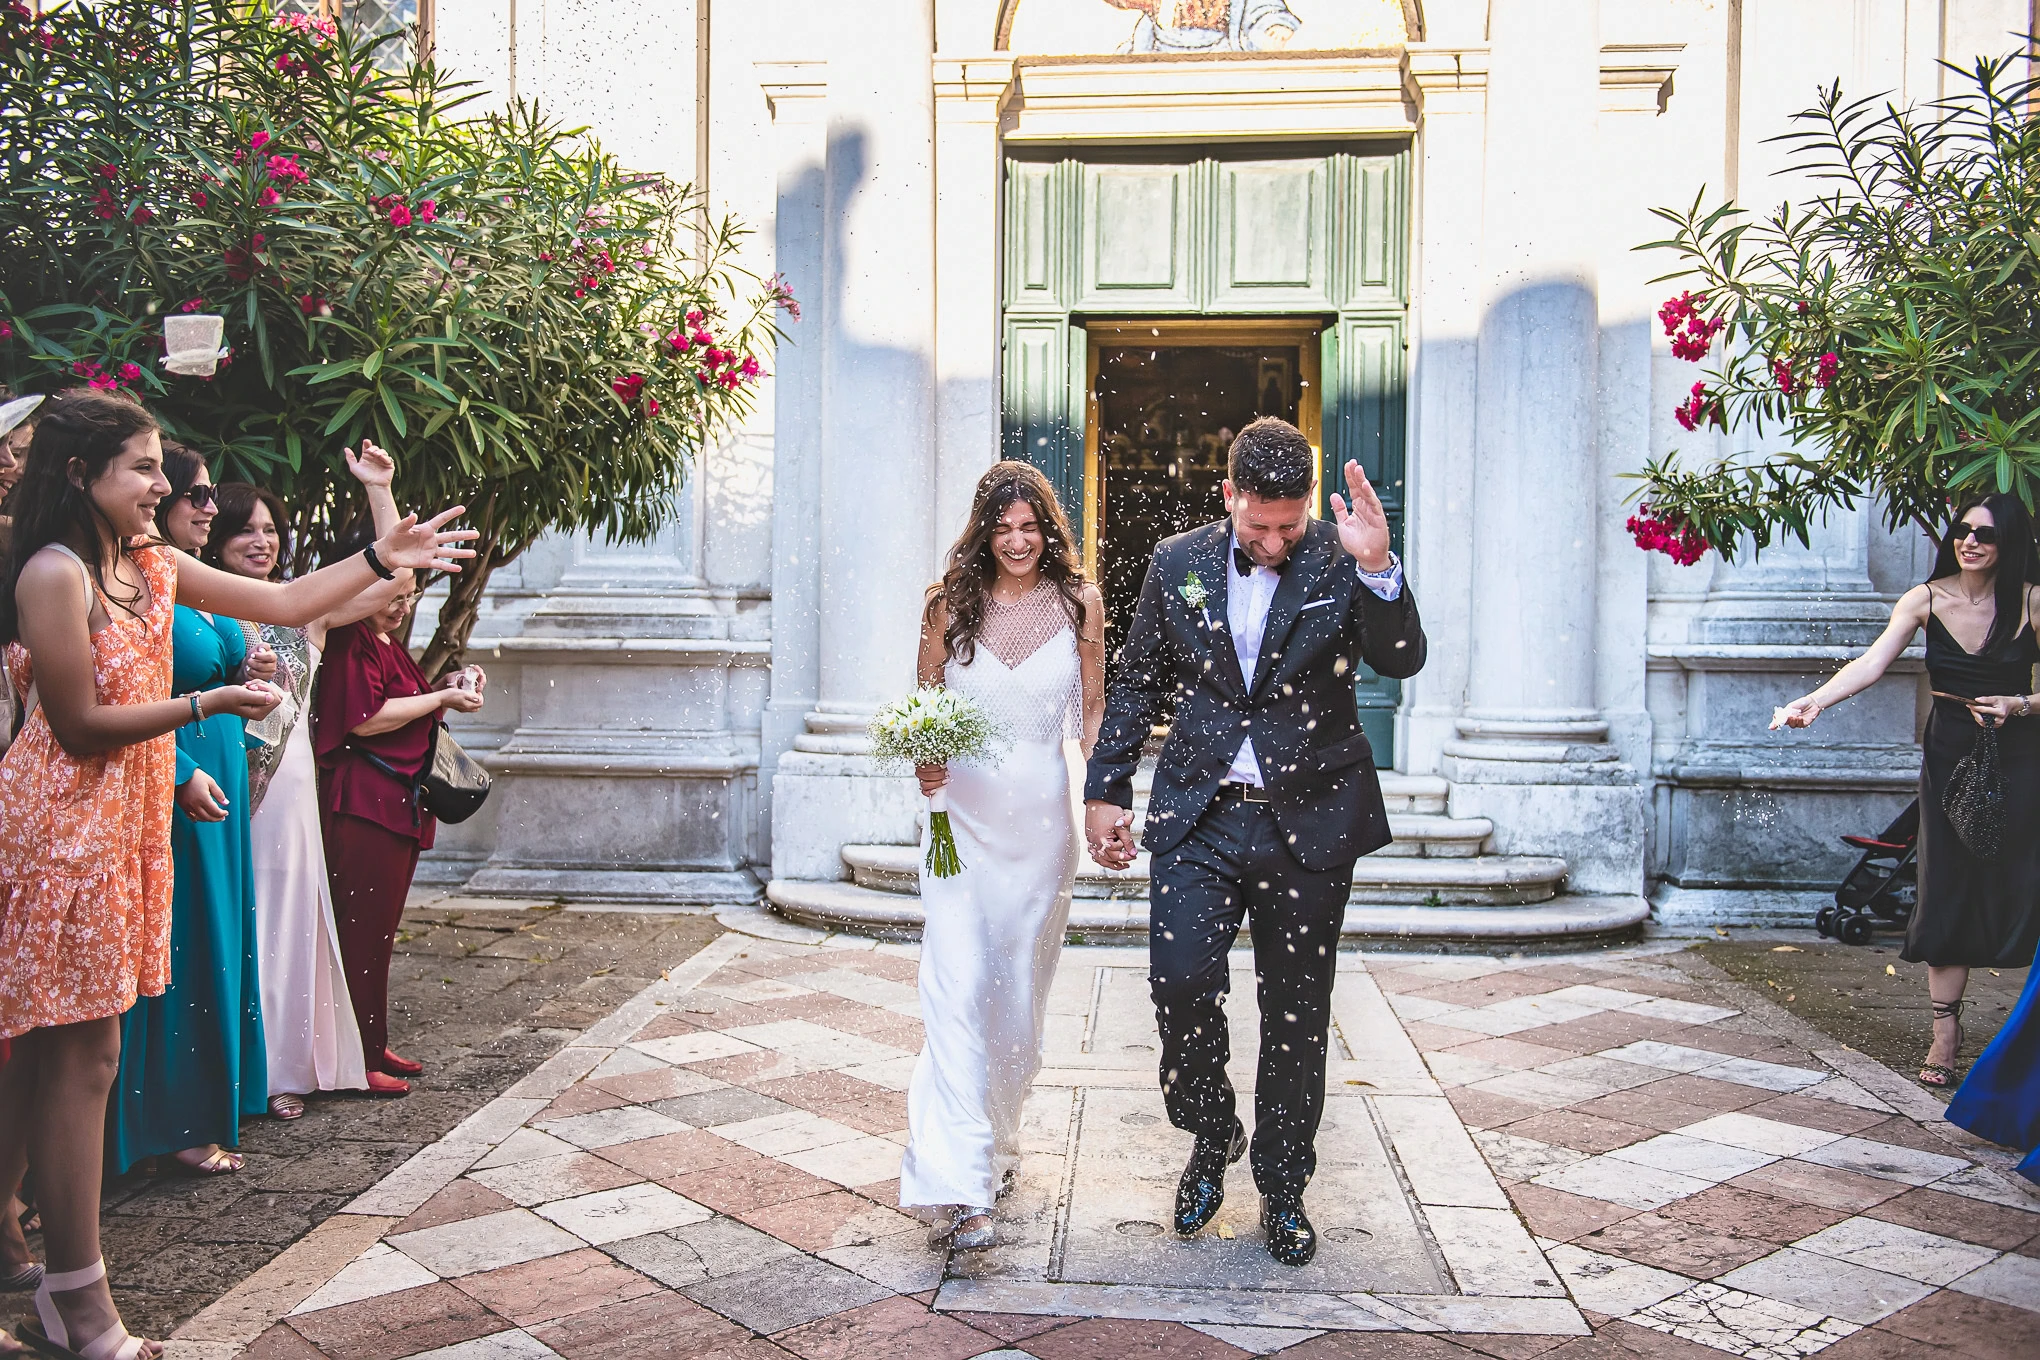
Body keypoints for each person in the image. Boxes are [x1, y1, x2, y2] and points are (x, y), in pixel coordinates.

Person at [0, 390, 474, 1360]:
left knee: (56, 1055)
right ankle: (79, 1304)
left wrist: (386, 555)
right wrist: (203, 703)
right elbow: (79, 723)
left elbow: (292, 603)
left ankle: (36, 1272)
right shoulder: (53, 574)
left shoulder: (149, 565)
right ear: (82, 476)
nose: (161, 486)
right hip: (64, 832)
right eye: (142, 467)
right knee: (80, 1057)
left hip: (128, 828)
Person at [1083, 416, 1425, 1267]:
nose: (1273, 543)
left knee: (1297, 1013)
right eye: (1257, 526)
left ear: (1308, 504)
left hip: (1308, 818)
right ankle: (1210, 1129)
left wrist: (1377, 566)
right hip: (1202, 813)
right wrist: (1104, 788)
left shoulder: (1343, 555)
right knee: (1179, 983)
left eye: (1288, 525)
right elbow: (1135, 678)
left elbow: (1404, 658)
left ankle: (1282, 1186)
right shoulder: (1177, 562)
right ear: (1228, 495)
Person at [900, 463, 1105, 1252]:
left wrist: (1106, 802)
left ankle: (999, 1135)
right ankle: (962, 1181)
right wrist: (923, 755)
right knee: (953, 984)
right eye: (1003, 528)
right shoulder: (947, 605)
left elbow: (1091, 715)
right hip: (957, 824)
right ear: (983, 531)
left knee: (1015, 994)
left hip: (1041, 830)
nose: (1017, 542)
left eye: (1031, 528)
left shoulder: (1079, 604)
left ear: (1048, 529)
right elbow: (924, 703)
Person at [1774, 494, 2040, 1088]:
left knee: (2022, 886)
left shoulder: (2030, 602)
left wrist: (2021, 704)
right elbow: (1870, 664)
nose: (1970, 541)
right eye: (1963, 530)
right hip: (1949, 755)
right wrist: (1812, 701)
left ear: (2009, 543)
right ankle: (1945, 1036)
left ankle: (2024, 1042)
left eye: (1986, 535)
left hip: (2021, 756)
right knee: (1944, 890)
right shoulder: (1924, 598)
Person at [205, 452, 408, 1110]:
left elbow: (391, 579)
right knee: (236, 923)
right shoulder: (196, 610)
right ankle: (234, 1073)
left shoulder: (304, 611)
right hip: (221, 783)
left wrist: (380, 490)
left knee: (288, 922)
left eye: (271, 530)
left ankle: (286, 1070)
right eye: (246, 531)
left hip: (290, 789)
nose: (262, 542)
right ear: (213, 536)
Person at [105, 445, 276, 1177]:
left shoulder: (182, 575)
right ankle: (162, 1116)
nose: (205, 503)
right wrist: (177, 770)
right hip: (175, 770)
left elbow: (269, 621)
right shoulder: (127, 578)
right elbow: (114, 689)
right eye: (195, 493)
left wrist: (250, 666)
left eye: (209, 494)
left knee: (217, 935)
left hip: (221, 763)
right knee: (175, 944)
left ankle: (210, 1101)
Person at [315, 574, 483, 1089]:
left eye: (409, 595)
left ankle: (371, 1041)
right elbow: (364, 720)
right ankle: (356, 1059)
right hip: (365, 803)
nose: (401, 606)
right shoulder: (351, 637)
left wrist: (446, 688)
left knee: (377, 933)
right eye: (391, 595)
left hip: (394, 803)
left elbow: (402, 703)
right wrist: (439, 702)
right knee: (358, 931)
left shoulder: (385, 641)